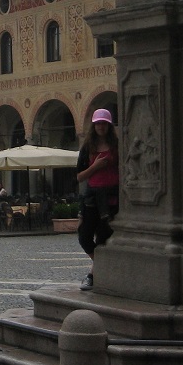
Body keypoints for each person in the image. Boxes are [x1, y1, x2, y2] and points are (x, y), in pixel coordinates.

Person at [76, 108, 120, 290]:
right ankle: (101, 265)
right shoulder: (87, 148)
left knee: (103, 237)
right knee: (84, 236)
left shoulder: (117, 146)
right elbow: (79, 176)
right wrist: (96, 166)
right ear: (94, 126)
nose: (101, 126)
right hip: (92, 197)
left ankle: (92, 275)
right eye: (98, 123)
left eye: (104, 123)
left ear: (109, 126)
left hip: (111, 198)